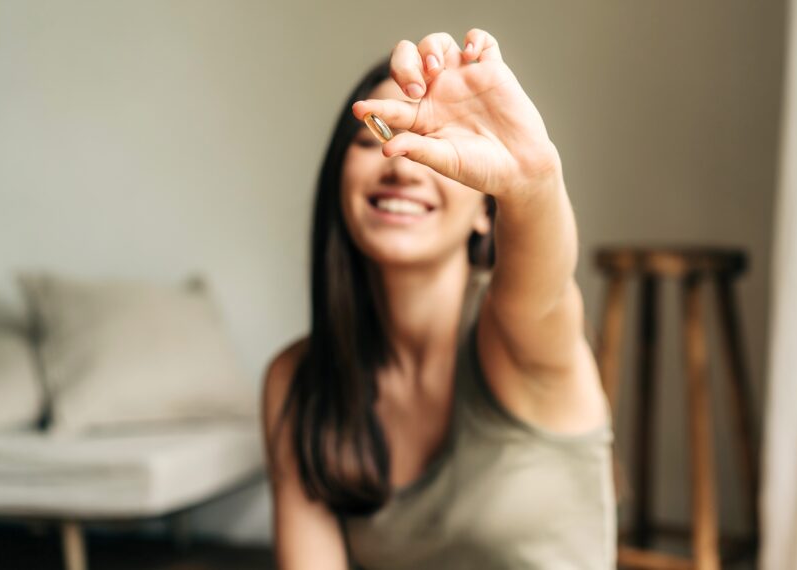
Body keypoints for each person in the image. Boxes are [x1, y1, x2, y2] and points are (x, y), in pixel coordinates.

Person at [262, 29, 615, 570]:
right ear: (339, 182)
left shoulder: (513, 335)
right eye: (373, 138)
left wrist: (531, 180)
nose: (401, 164)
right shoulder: (300, 382)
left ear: (485, 213)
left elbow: (544, 289)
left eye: (432, 152)